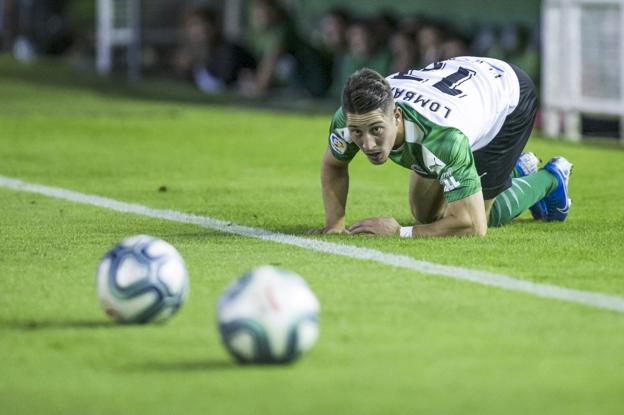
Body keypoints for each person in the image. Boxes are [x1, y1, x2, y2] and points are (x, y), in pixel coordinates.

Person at [314, 56, 573, 237]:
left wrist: (400, 233)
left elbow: (473, 227)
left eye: (376, 130)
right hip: (464, 87)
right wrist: (334, 224)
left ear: (396, 116)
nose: (367, 144)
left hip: (507, 95)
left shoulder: (442, 138)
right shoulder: (350, 117)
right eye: (357, 133)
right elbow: (334, 165)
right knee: (425, 214)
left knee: (479, 215)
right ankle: (514, 170)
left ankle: (550, 179)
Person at [172, 7, 256, 93]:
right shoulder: (198, 54)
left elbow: (222, 87)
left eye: (200, 24)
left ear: (214, 27)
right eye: (191, 26)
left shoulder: (228, 52)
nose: (197, 31)